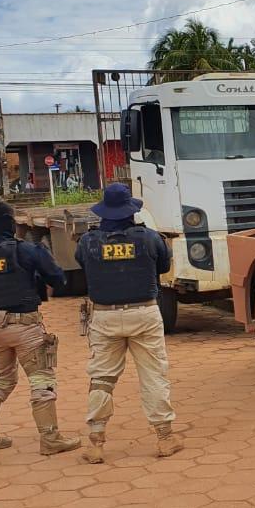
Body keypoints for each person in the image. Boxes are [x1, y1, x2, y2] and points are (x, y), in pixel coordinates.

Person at [76, 183, 181, 463]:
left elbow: (82, 264)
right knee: (153, 375)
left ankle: (96, 443)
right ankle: (164, 438)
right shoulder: (149, 238)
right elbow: (163, 267)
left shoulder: (88, 241)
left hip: (104, 317)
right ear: (131, 212)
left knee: (102, 378)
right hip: (144, 313)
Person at [0, 200, 80, 456]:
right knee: (42, 380)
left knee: (0, 379)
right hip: (24, 326)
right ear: (10, 222)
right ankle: (50, 439)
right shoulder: (25, 250)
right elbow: (58, 278)